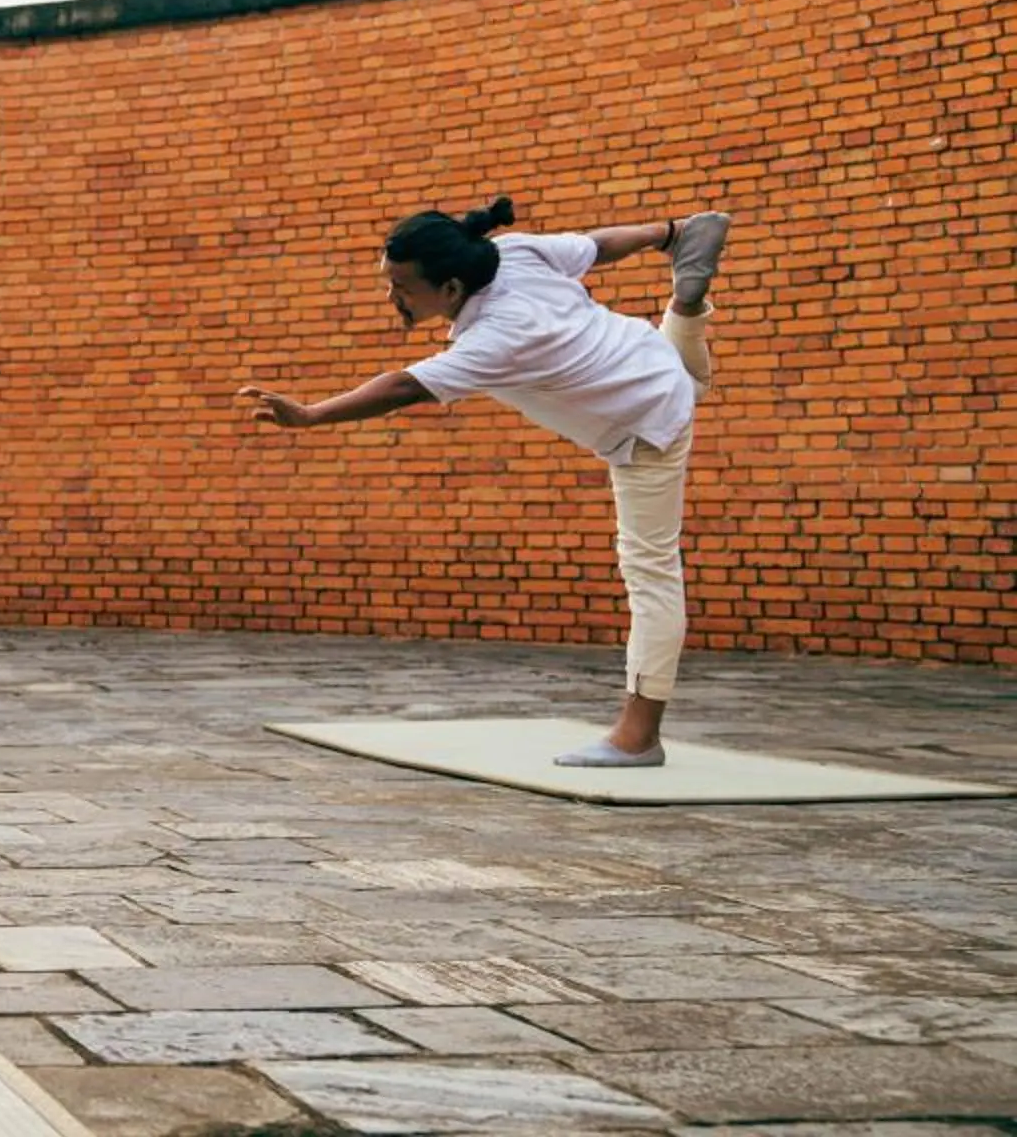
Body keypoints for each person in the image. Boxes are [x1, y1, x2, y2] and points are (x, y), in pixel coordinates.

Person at [239, 198, 731, 767]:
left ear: (450, 289)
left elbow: (403, 387)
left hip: (650, 425)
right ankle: (687, 298)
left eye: (401, 286)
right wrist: (666, 234)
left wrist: (311, 415)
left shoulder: (497, 339)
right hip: (656, 355)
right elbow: (597, 244)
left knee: (650, 571)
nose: (391, 296)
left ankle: (638, 735)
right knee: (687, 379)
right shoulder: (510, 253)